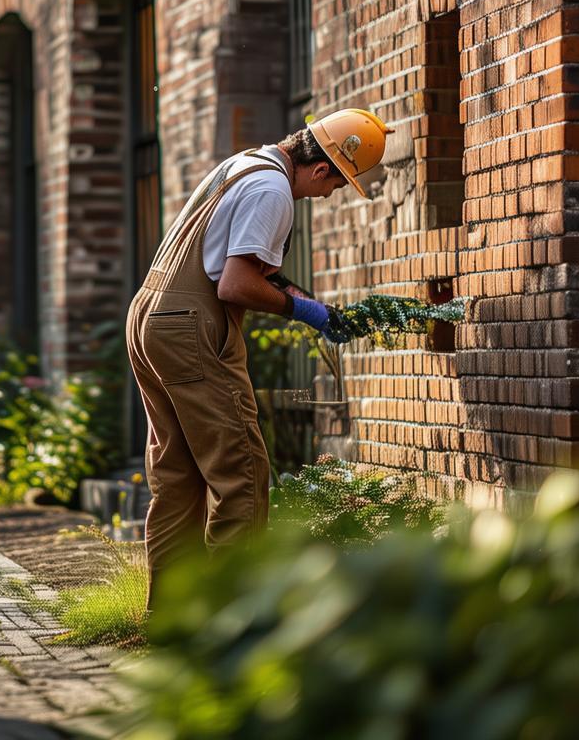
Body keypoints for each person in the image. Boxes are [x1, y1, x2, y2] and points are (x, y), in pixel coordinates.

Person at [126, 107, 394, 603]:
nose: (329, 194)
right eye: (336, 185)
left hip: (151, 316)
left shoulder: (243, 164)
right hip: (192, 326)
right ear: (320, 169)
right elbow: (236, 284)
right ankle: (231, 622)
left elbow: (253, 268)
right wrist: (305, 313)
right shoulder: (273, 192)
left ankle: (170, 620)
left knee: (178, 477)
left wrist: (317, 305)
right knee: (243, 474)